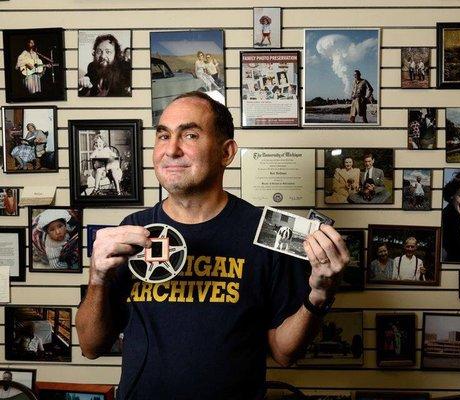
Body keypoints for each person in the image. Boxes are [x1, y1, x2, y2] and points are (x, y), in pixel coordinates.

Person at [75, 91, 350, 399]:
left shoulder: (266, 232)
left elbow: (285, 353)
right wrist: (97, 277)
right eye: (163, 136)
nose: (172, 150)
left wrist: (321, 292)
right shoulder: (133, 229)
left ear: (226, 152)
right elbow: (90, 346)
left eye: (190, 135)